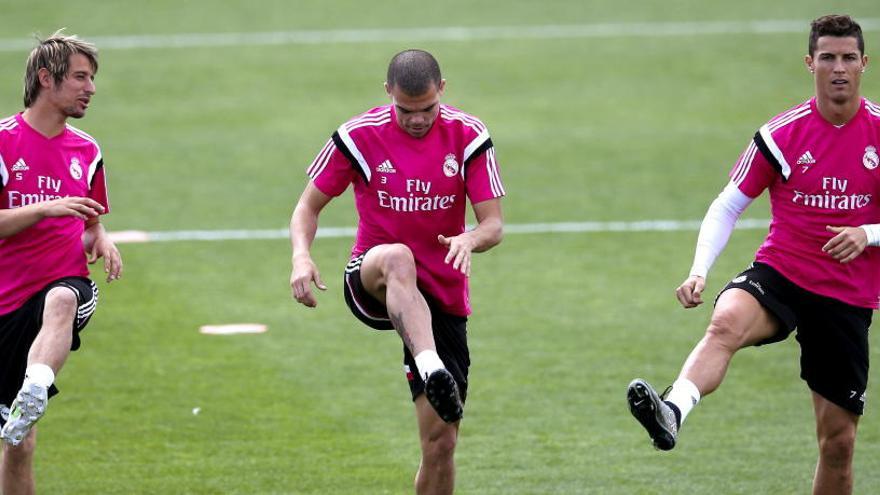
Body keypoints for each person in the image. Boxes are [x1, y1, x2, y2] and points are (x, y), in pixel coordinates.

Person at [626, 14, 878, 494]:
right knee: (725, 323)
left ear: (865, 63)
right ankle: (673, 410)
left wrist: (868, 233)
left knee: (839, 445)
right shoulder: (782, 135)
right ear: (810, 63)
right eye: (828, 57)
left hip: (847, 294)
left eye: (848, 57)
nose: (839, 68)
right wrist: (699, 271)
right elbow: (728, 205)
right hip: (783, 271)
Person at [290, 49, 504, 494]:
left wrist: (469, 239)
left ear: (442, 90)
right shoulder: (358, 136)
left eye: (427, 108)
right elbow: (307, 207)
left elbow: (493, 224)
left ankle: (432, 367)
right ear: (388, 92)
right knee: (399, 257)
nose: (418, 120)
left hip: (440, 296)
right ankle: (431, 365)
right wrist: (301, 256)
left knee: (441, 445)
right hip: (372, 276)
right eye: (407, 111)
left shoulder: (468, 136)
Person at [0, 31, 122, 494]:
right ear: (45, 79)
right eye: (80, 77)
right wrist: (44, 209)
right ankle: (29, 393)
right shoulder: (3, 142)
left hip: (63, 280)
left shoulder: (87, 150)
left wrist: (101, 238)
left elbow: (89, 218)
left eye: (92, 78)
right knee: (20, 443)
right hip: (5, 303)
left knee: (64, 298)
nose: (90, 88)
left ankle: (37, 383)